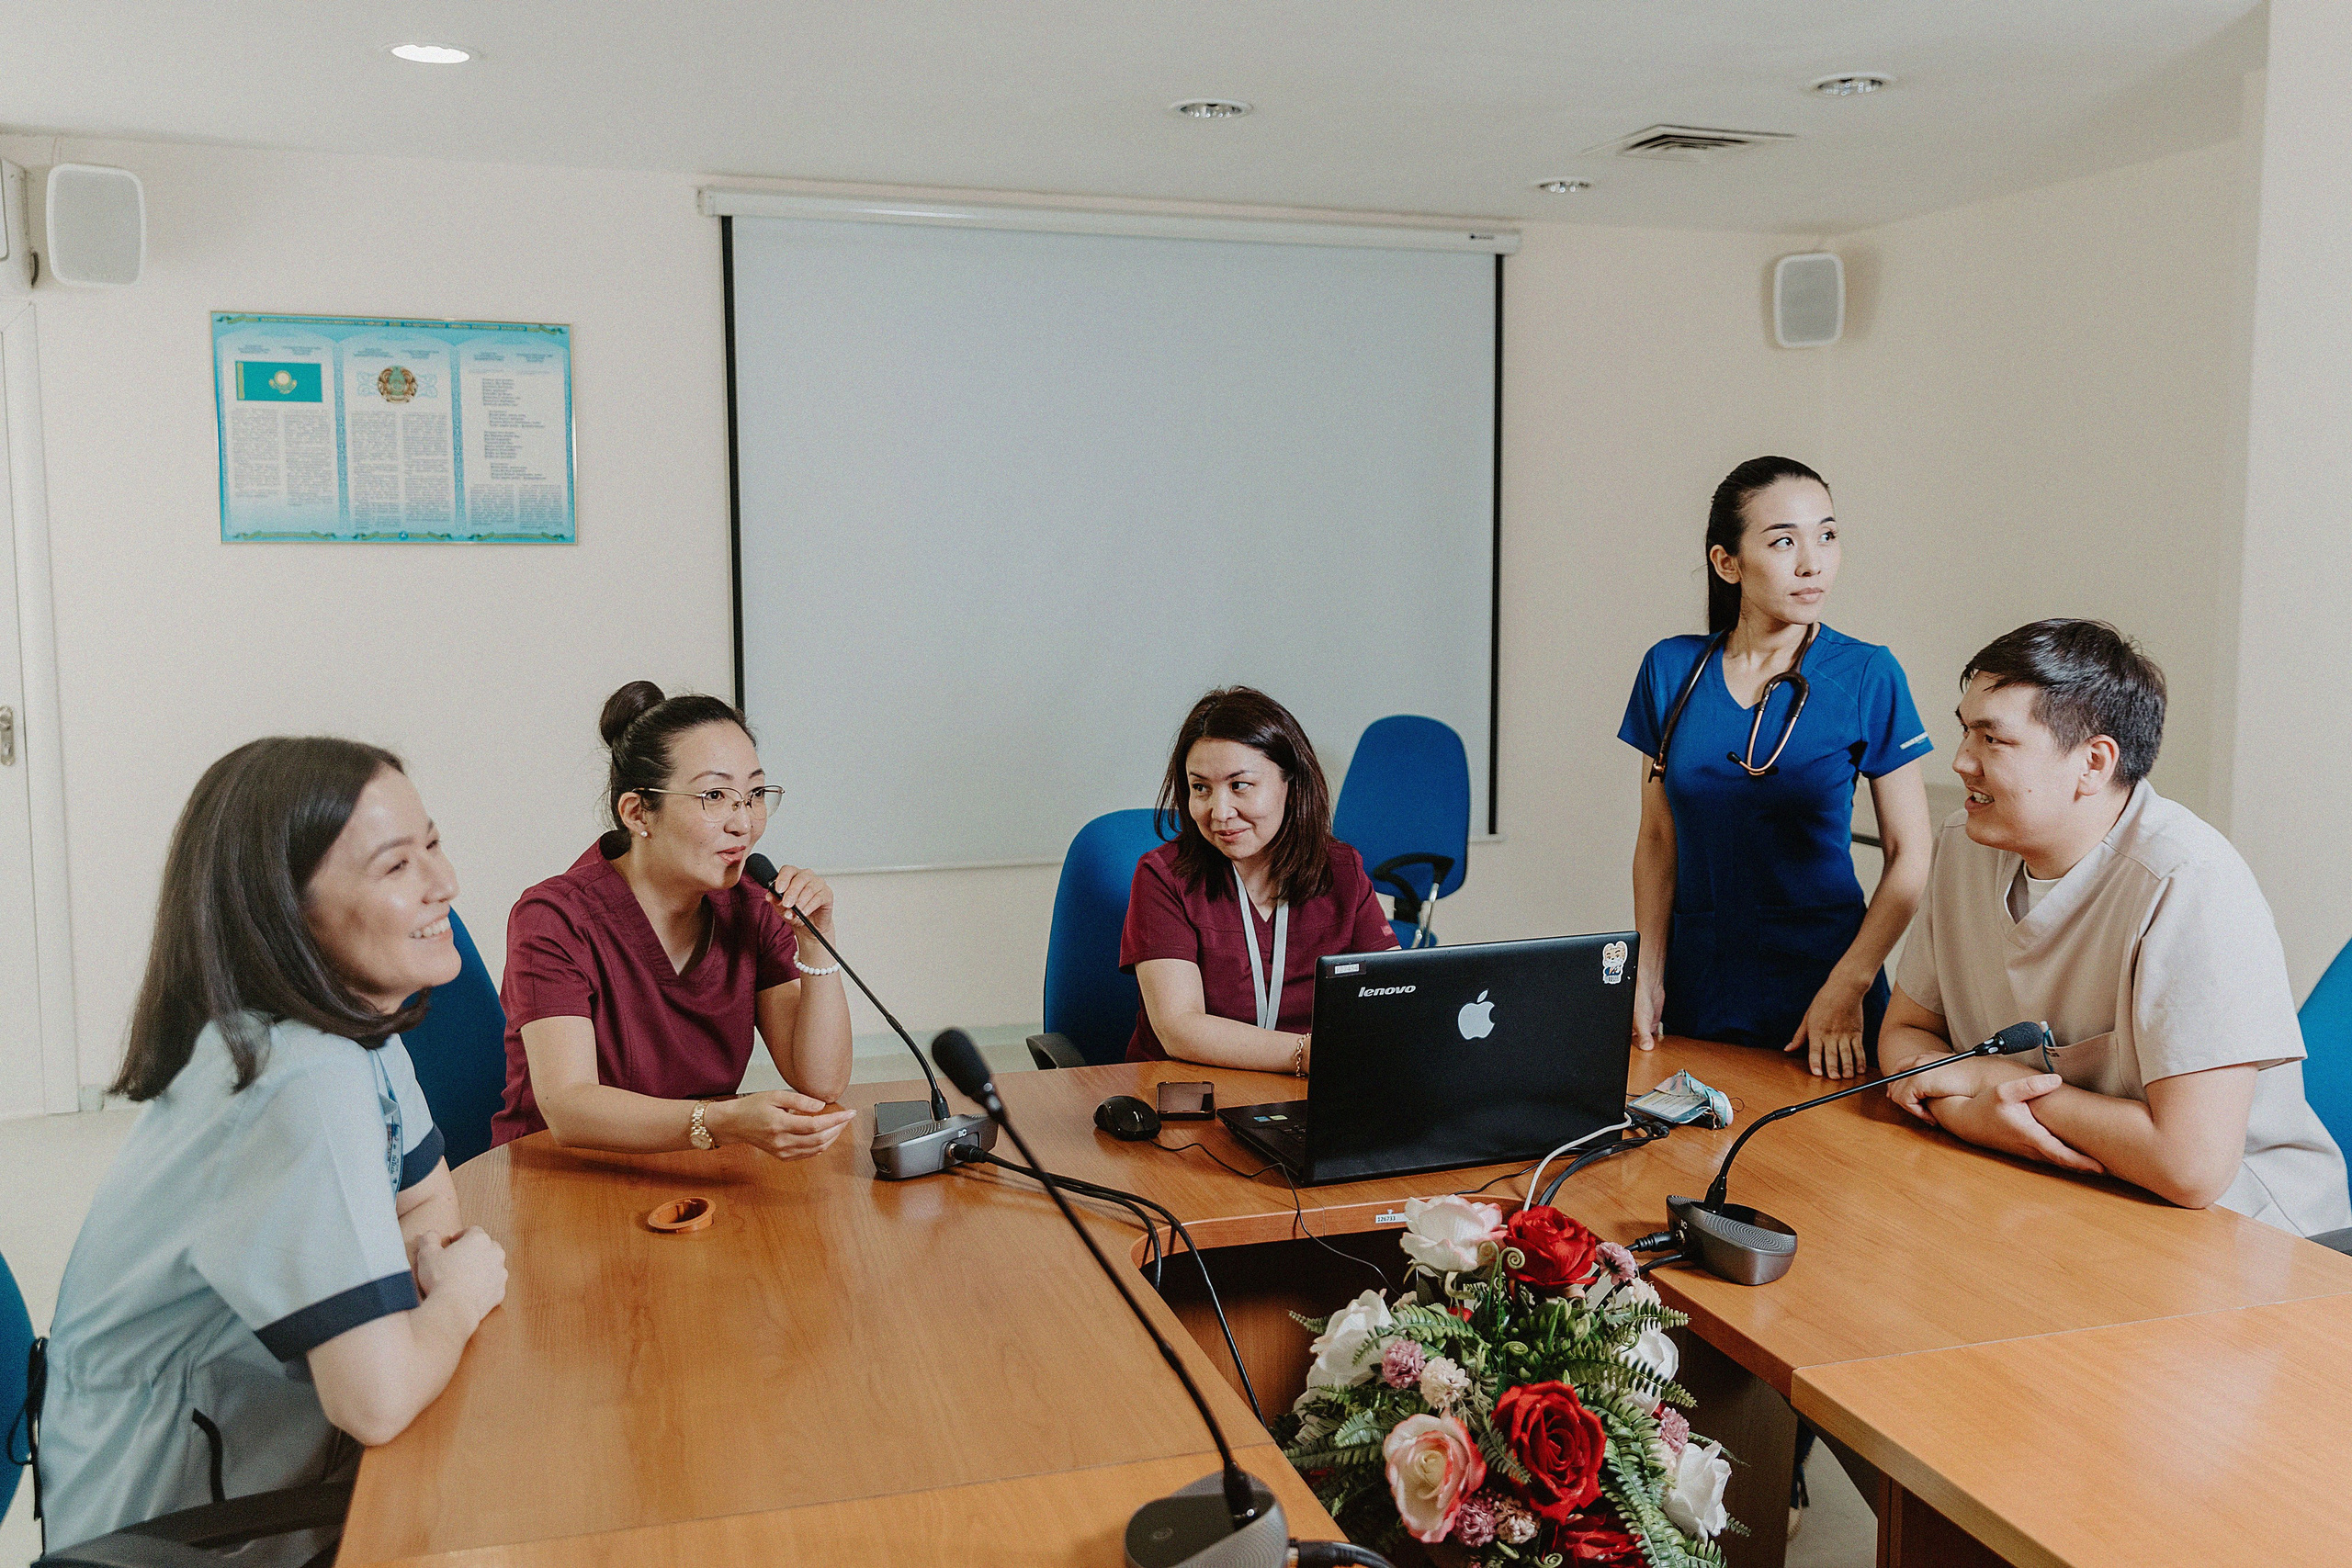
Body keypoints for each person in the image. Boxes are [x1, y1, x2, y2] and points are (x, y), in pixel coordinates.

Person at [38, 739, 509, 1560]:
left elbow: (429, 1202)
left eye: (432, 843)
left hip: (281, 1482)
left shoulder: (358, 1029)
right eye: (397, 866)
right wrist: (456, 1299)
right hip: (174, 1535)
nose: (447, 883)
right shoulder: (294, 1080)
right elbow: (378, 1399)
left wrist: (407, 1310)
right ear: (288, 911)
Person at [1883, 620, 2351, 1236]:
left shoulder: (2190, 885)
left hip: (2247, 1234)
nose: (1961, 760)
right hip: (2059, 1195)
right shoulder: (1967, 844)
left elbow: (2192, 1169)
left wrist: (1996, 1082)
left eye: (1992, 738)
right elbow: (1905, 1035)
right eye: (1965, 728)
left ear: (2093, 762)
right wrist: (1976, 1113)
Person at [1621, 456, 1934, 1078]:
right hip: (1698, 984)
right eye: (1784, 541)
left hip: (1822, 996)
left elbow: (1911, 855)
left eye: (1827, 534)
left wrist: (1849, 984)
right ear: (1726, 563)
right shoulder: (1670, 671)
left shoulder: (1868, 674)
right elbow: (1658, 839)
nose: (1812, 562)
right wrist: (1645, 972)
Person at [494, 682, 855, 1156]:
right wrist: (723, 1121)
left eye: (754, 794)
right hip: (560, 1174)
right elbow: (569, 1107)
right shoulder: (554, 918)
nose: (743, 822)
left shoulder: (751, 904)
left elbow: (821, 1082)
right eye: (713, 795)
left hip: (689, 1169)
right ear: (638, 812)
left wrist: (816, 942)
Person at [1123, 686, 1399, 1070]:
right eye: (1200, 788)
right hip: (1187, 1096)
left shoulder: (1341, 869)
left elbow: (1396, 995)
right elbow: (1179, 1029)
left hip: (1310, 1097)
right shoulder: (1163, 876)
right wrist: (1311, 1055)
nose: (1220, 812)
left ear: (1291, 784)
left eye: (1240, 785)